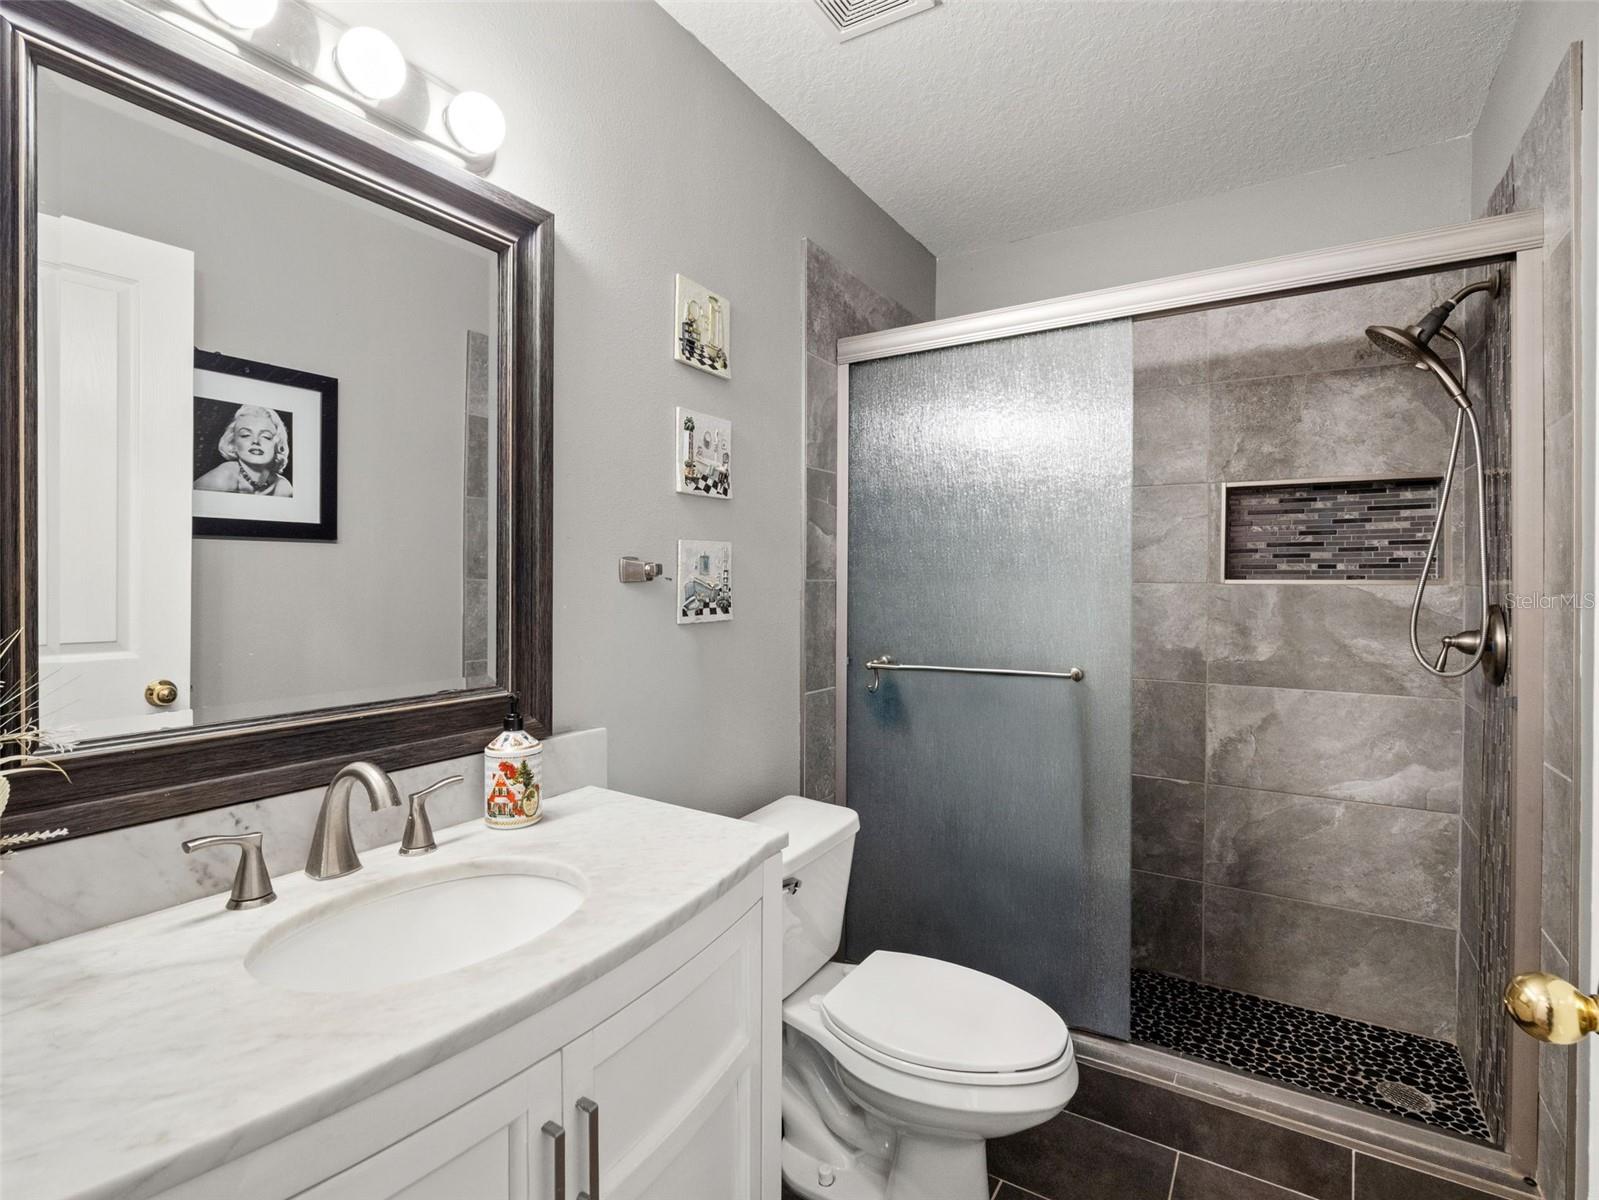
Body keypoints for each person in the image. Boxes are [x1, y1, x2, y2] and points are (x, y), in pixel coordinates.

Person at [194, 403, 293, 496]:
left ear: (278, 445)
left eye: (266, 436)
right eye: (245, 435)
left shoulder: (283, 487)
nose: (255, 441)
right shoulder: (221, 478)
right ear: (233, 443)